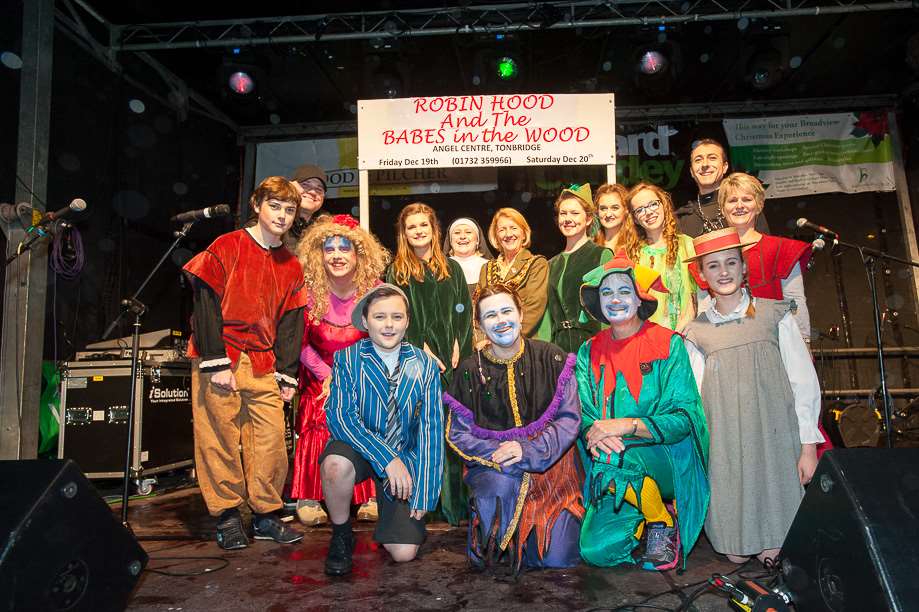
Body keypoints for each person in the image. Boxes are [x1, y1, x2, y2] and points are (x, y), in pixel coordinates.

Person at [682, 228, 823, 566]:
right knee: (734, 553)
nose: (724, 272)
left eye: (732, 262)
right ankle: (737, 530)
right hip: (727, 442)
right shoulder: (696, 331)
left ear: (744, 267)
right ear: (701, 275)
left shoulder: (775, 315)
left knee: (775, 550)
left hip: (774, 436)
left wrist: (807, 447)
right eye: (713, 266)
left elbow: (804, 382)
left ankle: (776, 532)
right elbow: (696, 397)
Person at [183, 176, 307, 550]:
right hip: (223, 357)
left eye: (289, 210)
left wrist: (287, 373)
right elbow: (204, 301)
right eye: (275, 206)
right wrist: (215, 360)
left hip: (263, 364)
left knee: (270, 442)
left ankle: (266, 515)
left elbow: (292, 322)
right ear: (257, 205)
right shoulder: (227, 245)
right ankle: (227, 515)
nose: (282, 216)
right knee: (218, 439)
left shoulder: (291, 264)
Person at [576, 253, 709, 570]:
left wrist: (628, 425)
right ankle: (644, 512)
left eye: (624, 290)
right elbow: (583, 412)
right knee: (597, 551)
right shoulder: (587, 351)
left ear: (639, 299)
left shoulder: (668, 344)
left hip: (666, 458)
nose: (615, 299)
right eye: (606, 292)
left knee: (615, 454)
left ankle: (661, 519)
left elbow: (683, 418)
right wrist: (594, 434)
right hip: (611, 461)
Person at [444, 283, 585, 576]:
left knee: (555, 558)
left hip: (552, 471)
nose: (501, 320)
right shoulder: (470, 370)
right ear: (480, 325)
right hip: (497, 470)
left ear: (521, 314)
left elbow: (569, 419)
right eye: (490, 315)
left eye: (507, 311)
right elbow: (457, 435)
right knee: (494, 552)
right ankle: (489, 533)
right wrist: (499, 452)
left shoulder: (552, 358)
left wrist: (528, 450)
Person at [320, 284, 444, 575]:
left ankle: (390, 519)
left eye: (397, 317)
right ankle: (341, 534)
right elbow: (341, 418)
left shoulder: (424, 364)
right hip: (361, 448)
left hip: (405, 457)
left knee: (404, 555)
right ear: (365, 321)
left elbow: (431, 429)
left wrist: (424, 490)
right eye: (380, 317)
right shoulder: (347, 359)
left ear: (407, 321)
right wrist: (386, 458)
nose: (389, 325)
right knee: (335, 465)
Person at [289, 214, 390, 526]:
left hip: (363, 372)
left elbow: (387, 337)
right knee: (319, 411)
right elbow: (299, 343)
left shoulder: (376, 290)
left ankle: (369, 495)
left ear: (359, 253)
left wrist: (358, 376)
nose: (336, 255)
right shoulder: (307, 291)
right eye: (329, 249)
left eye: (344, 248)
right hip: (321, 375)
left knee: (371, 412)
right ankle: (308, 494)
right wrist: (326, 375)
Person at [386, 202, 472, 525]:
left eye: (424, 225)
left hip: (451, 365)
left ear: (434, 230)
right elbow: (397, 319)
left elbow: (464, 312)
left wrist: (457, 350)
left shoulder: (452, 268)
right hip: (415, 366)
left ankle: (457, 508)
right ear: (404, 233)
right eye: (412, 227)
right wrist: (422, 351)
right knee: (423, 436)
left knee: (452, 437)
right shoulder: (398, 272)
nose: (418, 231)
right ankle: (426, 505)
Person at [696, 172, 813, 342]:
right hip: (726, 343)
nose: (739, 205)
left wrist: (804, 342)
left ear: (758, 205)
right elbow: (704, 308)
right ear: (722, 208)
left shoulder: (783, 249)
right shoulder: (709, 255)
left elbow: (795, 301)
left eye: (747, 199)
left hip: (777, 342)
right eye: (732, 200)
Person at [546, 184, 612, 353]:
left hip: (593, 348)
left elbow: (609, 306)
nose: (568, 219)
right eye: (563, 213)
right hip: (559, 352)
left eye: (575, 213)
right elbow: (548, 317)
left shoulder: (602, 255)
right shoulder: (551, 264)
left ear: (588, 219)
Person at [623, 183, 697, 332]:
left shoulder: (687, 244)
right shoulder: (631, 254)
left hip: (684, 335)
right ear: (635, 219)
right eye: (640, 209)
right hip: (645, 339)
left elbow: (693, 299)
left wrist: (676, 336)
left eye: (653, 204)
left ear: (663, 205)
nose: (648, 212)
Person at [477, 208, 549, 339]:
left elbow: (534, 307)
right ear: (496, 236)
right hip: (490, 346)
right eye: (502, 229)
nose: (508, 234)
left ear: (523, 233)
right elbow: (477, 308)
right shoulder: (486, 268)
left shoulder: (537, 264)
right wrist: (483, 340)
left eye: (513, 228)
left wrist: (506, 338)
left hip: (523, 343)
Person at [674, 139, 769, 237]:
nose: (705, 164)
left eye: (712, 158)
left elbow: (764, 247)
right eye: (698, 160)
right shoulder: (682, 216)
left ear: (725, 167)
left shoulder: (745, 206)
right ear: (691, 172)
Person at [443, 217, 494, 294]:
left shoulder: (491, 268)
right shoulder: (441, 267)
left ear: (478, 240)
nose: (462, 237)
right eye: (457, 233)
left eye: (468, 232)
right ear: (450, 241)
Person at [286, 164, 328, 245]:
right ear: (290, 186)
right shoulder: (273, 225)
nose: (312, 192)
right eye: (305, 185)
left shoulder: (328, 230)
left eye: (319, 189)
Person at [593, 183, 631, 252]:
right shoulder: (591, 245)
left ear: (626, 210)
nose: (608, 214)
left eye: (614, 208)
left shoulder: (634, 245)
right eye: (603, 208)